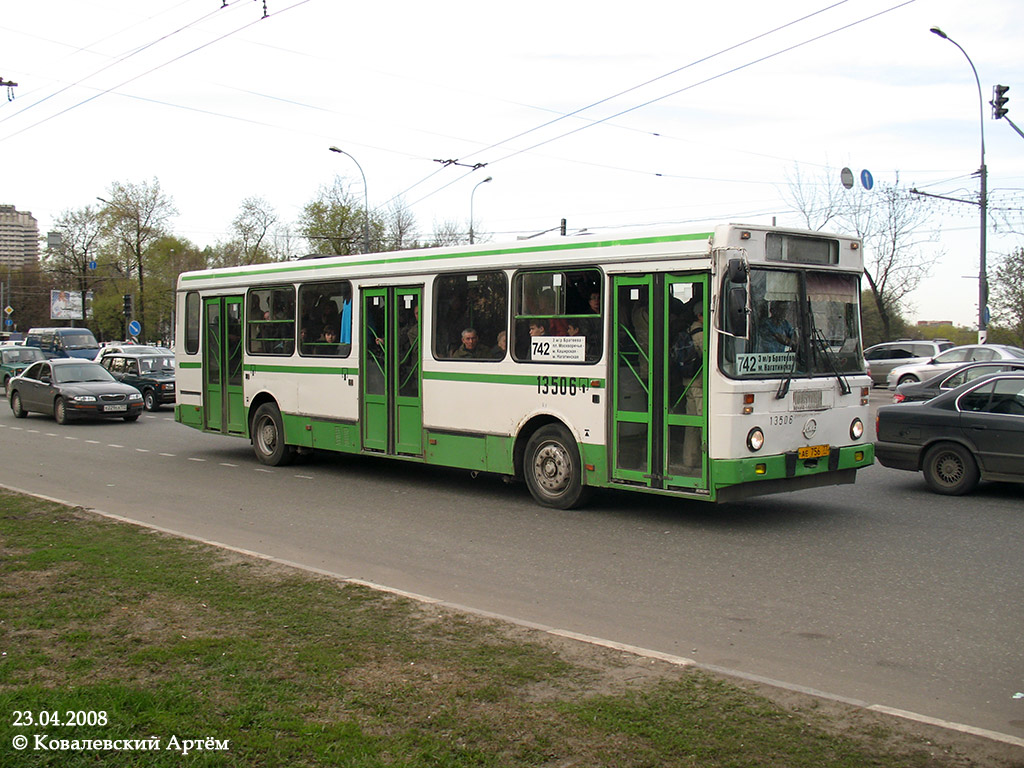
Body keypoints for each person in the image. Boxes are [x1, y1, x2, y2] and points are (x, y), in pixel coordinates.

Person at [682, 300, 705, 471]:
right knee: (702, 422)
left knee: (691, 422)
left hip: (689, 382)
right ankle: (707, 459)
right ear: (699, 315)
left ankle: (690, 459)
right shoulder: (701, 333)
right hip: (699, 383)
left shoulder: (690, 329)